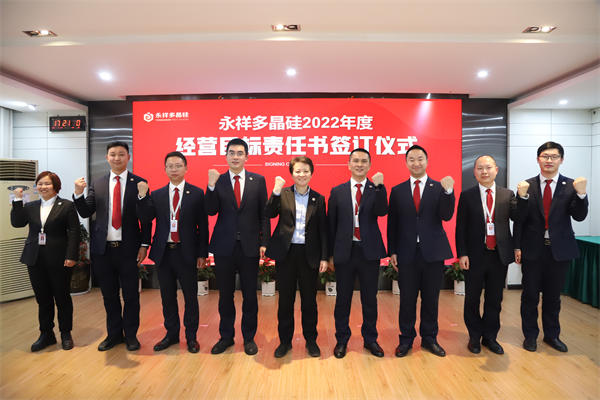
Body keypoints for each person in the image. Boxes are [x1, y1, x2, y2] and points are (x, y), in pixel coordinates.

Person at [73, 141, 151, 352]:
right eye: (113, 154)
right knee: (109, 295)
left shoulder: (139, 183)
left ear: (128, 157)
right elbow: (86, 212)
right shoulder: (97, 183)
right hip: (103, 250)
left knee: (131, 296)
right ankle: (114, 334)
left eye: (121, 154)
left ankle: (131, 335)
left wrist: (144, 244)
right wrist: (78, 194)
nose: (117, 158)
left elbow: (145, 218)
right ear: (107, 157)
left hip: (129, 250)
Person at [514, 141, 588, 353]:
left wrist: (582, 195)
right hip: (532, 250)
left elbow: (579, 216)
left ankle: (552, 335)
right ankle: (530, 336)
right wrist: (517, 247)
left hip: (559, 251)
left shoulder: (572, 186)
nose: (549, 160)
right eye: (545, 156)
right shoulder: (526, 186)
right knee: (530, 295)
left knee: (553, 296)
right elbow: (519, 220)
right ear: (538, 159)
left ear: (561, 160)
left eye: (554, 157)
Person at [455, 155, 529, 355]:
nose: (484, 171)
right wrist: (462, 254)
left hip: (499, 255)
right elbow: (460, 227)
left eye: (488, 167)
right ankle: (474, 336)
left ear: (496, 170)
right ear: (474, 172)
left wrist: (523, 198)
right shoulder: (467, 195)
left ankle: (490, 337)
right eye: (480, 168)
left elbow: (519, 217)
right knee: (472, 299)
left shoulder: (507, 194)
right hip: (474, 256)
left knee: (494, 299)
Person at [137, 151, 208, 354]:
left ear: (186, 168)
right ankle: (171, 334)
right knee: (167, 297)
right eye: (170, 166)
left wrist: (202, 254)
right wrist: (142, 197)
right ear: (165, 169)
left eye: (178, 166)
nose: (174, 169)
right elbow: (145, 218)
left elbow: (203, 227)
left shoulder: (197, 193)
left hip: (187, 253)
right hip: (164, 253)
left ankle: (191, 337)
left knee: (190, 297)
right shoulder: (157, 194)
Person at [388, 144, 455, 358]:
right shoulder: (397, 190)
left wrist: (449, 192)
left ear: (427, 161)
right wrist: (392, 251)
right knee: (407, 300)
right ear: (406, 162)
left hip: (433, 253)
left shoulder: (439, 187)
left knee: (431, 299)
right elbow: (392, 223)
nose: (416, 163)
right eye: (411, 159)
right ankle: (406, 340)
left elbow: (446, 215)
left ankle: (429, 339)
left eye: (420, 159)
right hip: (406, 253)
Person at [205, 138, 270, 356]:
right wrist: (210, 186)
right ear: (226, 156)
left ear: (247, 157)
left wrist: (265, 242)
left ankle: (249, 337)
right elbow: (211, 210)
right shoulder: (218, 180)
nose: (235, 156)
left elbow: (264, 214)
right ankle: (226, 337)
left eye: (240, 153)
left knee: (250, 295)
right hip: (224, 246)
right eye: (231, 153)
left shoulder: (258, 180)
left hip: (250, 246)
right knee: (225, 295)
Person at [264, 156, 329, 358]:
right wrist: (275, 190)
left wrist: (324, 257)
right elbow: (269, 213)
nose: (302, 175)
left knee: (309, 301)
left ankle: (311, 341)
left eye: (305, 171)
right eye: (298, 171)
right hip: (287, 254)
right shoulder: (283, 194)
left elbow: (323, 230)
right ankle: (285, 341)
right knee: (286, 301)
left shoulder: (318, 198)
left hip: (309, 255)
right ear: (291, 173)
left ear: (311, 173)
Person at [328, 148, 388, 359]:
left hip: (369, 252)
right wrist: (330, 254)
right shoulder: (338, 191)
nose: (359, 164)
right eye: (356, 161)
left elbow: (382, 211)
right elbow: (331, 224)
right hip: (345, 251)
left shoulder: (376, 188)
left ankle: (370, 339)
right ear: (349, 164)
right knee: (342, 299)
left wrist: (380, 187)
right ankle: (342, 340)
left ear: (369, 165)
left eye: (364, 161)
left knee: (369, 299)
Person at [11, 172, 80, 352]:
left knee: (62, 298)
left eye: (47, 184)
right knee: (43, 299)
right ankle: (46, 334)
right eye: (40, 183)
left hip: (60, 259)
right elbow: (17, 223)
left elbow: (74, 232)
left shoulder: (67, 205)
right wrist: (17, 199)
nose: (43, 187)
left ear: (55, 186)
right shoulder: (31, 206)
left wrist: (71, 256)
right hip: (35, 259)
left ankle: (66, 333)